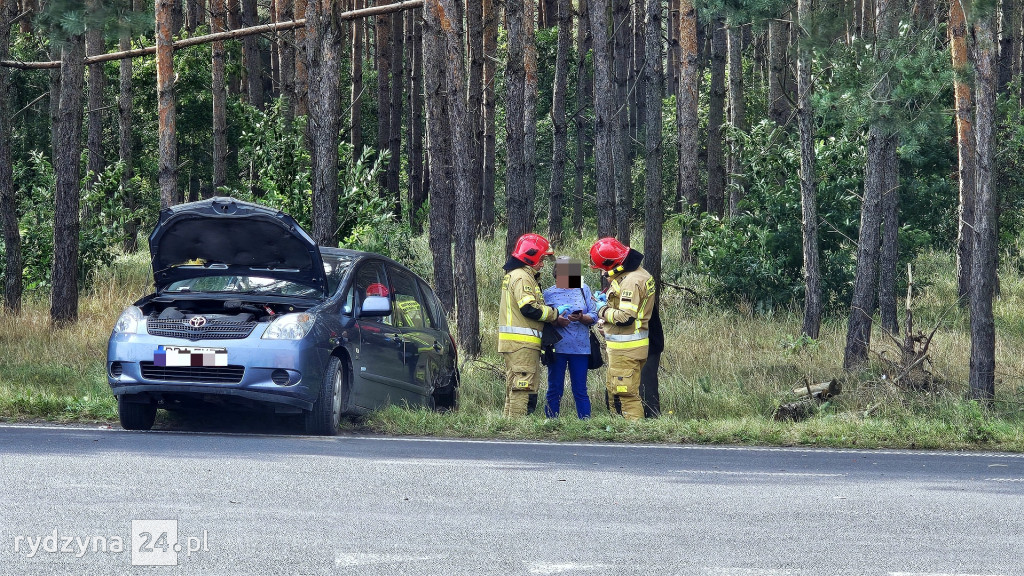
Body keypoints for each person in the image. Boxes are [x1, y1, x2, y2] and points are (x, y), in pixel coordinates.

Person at [499, 233, 572, 417]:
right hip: (522, 344)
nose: (542, 264)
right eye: (541, 259)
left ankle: (509, 428)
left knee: (514, 387)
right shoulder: (523, 277)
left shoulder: (516, 275)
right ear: (530, 257)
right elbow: (528, 309)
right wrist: (554, 313)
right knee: (522, 387)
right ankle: (517, 430)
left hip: (517, 344)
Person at [589, 237, 656, 420]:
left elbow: (626, 317)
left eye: (604, 268)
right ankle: (619, 431)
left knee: (626, 394)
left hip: (626, 348)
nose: (603, 273)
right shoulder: (638, 273)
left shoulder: (630, 282)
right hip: (625, 347)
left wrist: (602, 310)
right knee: (615, 390)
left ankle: (632, 435)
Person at [542, 257, 598, 418]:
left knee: (580, 389)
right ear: (557, 274)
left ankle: (585, 423)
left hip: (580, 348)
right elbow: (544, 318)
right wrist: (556, 320)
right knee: (554, 388)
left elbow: (594, 316)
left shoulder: (583, 289)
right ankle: (551, 420)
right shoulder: (548, 293)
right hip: (557, 347)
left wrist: (581, 318)